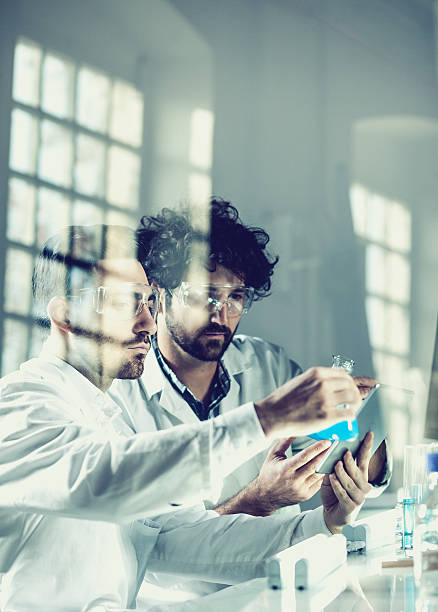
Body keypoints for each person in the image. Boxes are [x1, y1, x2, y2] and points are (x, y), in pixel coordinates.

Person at [0, 223, 365, 611]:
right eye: (126, 303)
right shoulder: (19, 406)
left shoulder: (105, 421)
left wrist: (318, 524)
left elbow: (176, 537)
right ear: (66, 316)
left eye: (148, 304)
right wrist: (267, 418)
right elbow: (109, 481)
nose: (148, 324)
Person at [108, 200, 390, 597]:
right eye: (204, 295)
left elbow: (339, 450)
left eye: (236, 297)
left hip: (281, 594)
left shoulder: (265, 364)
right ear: (159, 294)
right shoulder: (122, 398)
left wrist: (357, 466)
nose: (221, 314)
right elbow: (159, 553)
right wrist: (260, 498)